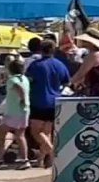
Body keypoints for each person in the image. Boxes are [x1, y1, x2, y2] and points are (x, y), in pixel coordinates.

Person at [24, 40, 69, 168]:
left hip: (39, 101)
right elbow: (67, 82)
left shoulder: (35, 65)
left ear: (41, 49)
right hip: (55, 101)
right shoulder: (59, 65)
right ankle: (41, 161)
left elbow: (29, 81)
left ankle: (52, 151)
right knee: (46, 132)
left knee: (36, 132)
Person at [0, 59, 30, 170]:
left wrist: (22, 99)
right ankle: (25, 159)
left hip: (12, 112)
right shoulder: (24, 78)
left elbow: (19, 89)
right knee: (20, 136)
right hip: (23, 111)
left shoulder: (12, 80)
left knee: (1, 134)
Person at [69, 29, 99, 97]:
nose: (83, 43)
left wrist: (68, 83)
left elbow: (80, 74)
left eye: (86, 41)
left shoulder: (94, 55)